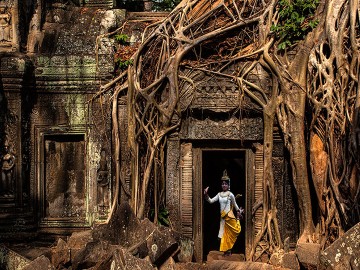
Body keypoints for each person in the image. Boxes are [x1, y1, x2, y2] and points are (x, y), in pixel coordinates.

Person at [204, 169, 244, 256]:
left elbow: (236, 205)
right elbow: (210, 201)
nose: (224, 185)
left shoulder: (231, 195)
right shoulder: (219, 194)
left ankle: (229, 250)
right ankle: (226, 251)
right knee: (222, 235)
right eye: (222, 184)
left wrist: (239, 212)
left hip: (229, 217)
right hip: (223, 218)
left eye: (225, 184)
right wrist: (206, 194)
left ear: (228, 185)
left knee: (234, 232)